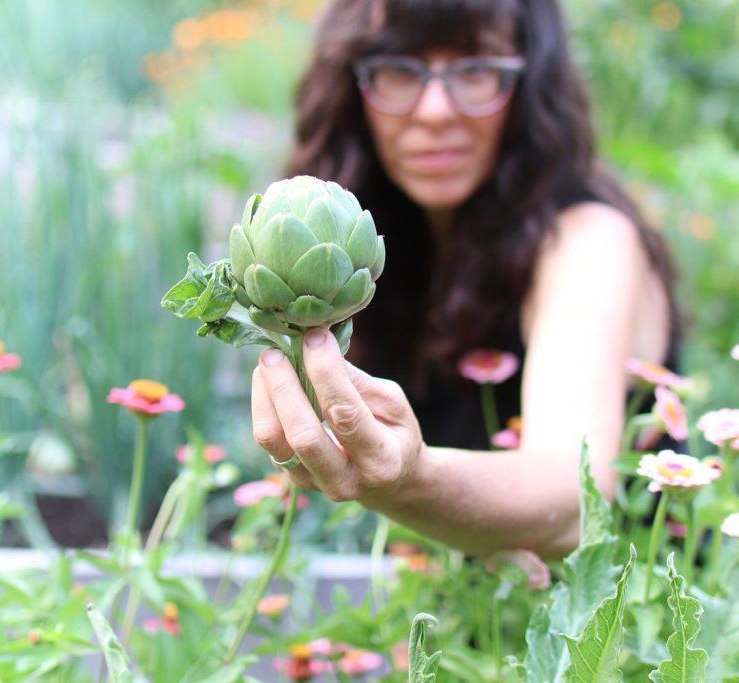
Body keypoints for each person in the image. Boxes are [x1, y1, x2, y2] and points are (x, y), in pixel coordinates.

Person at [250, 0, 681, 559]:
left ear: (528, 87)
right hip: (461, 626)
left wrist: (413, 479)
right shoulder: (374, 246)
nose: (434, 110)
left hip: (624, 632)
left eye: (475, 69)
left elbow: (578, 496)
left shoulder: (587, 241)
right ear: (351, 87)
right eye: (400, 70)